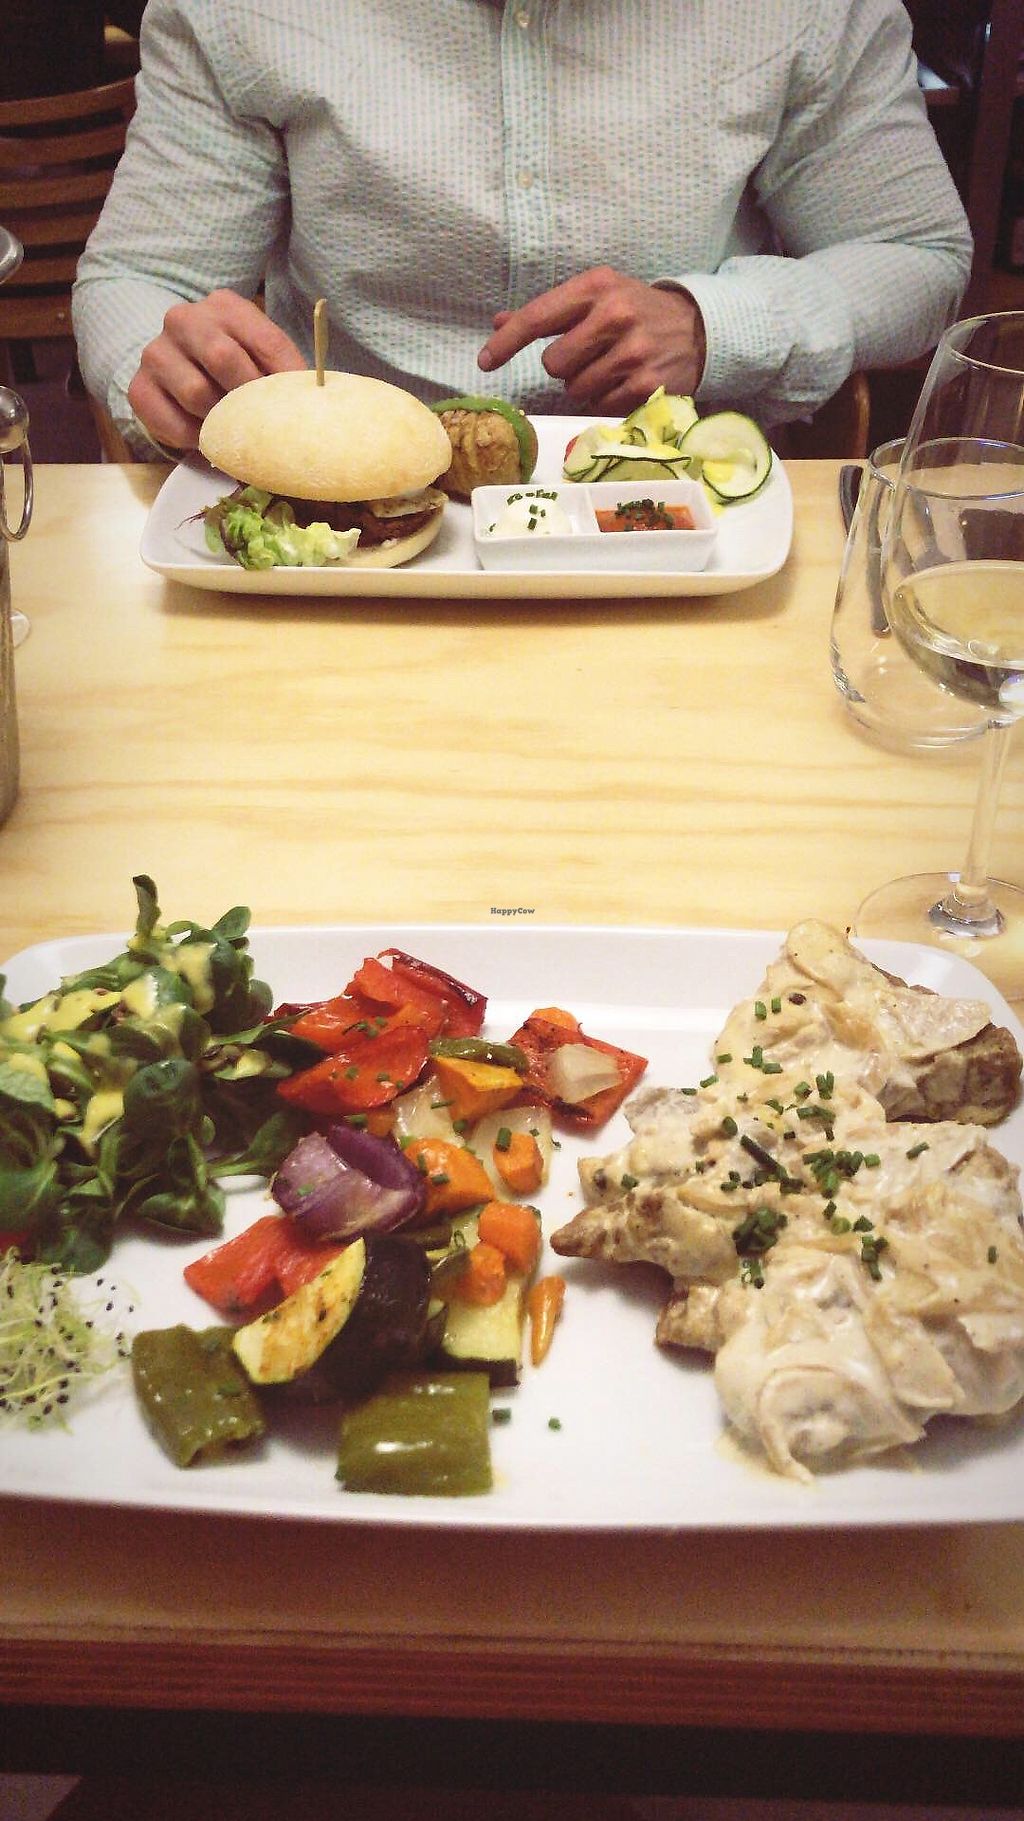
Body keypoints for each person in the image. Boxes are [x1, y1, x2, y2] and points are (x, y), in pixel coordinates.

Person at [72, 0, 973, 456]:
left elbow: (918, 253)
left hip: (683, 515)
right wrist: (166, 365)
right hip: (341, 524)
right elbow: (139, 278)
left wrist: (718, 325)